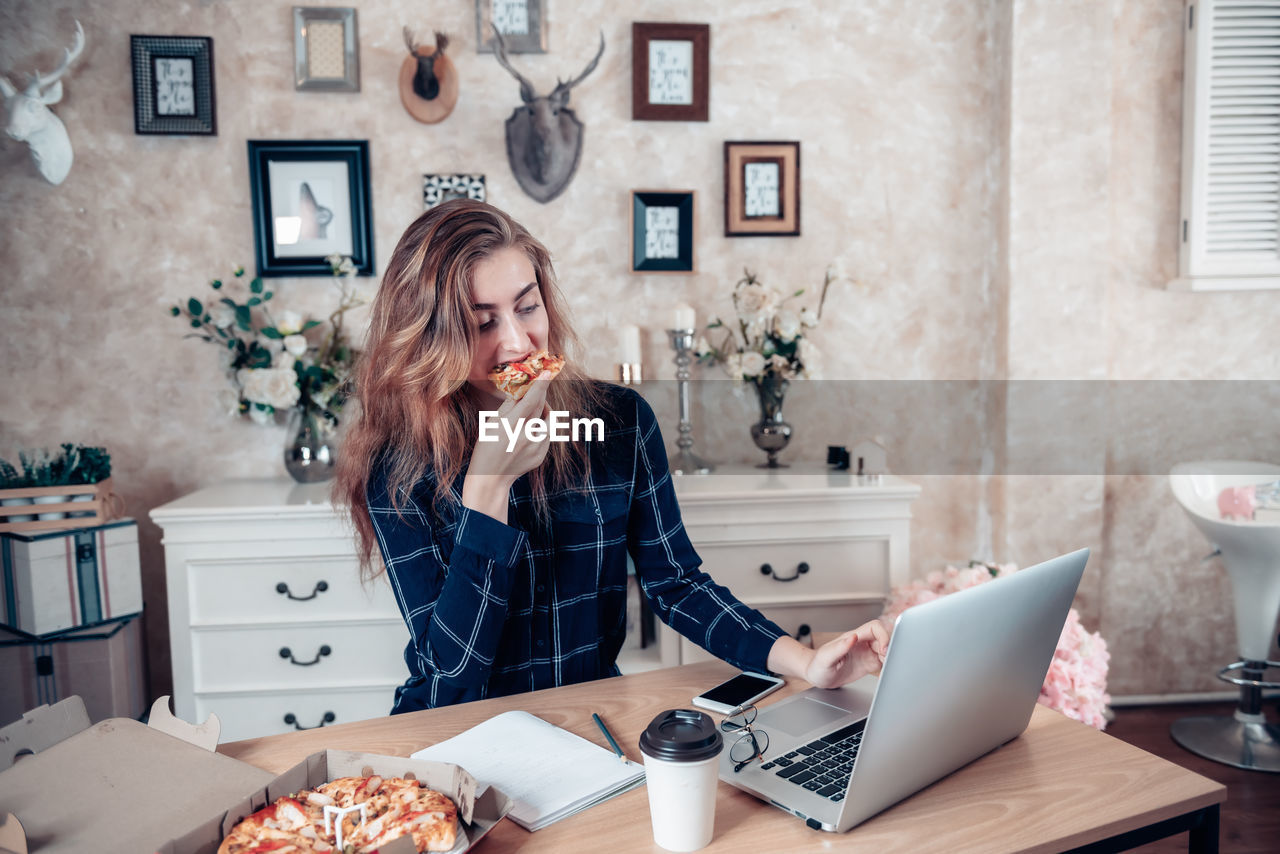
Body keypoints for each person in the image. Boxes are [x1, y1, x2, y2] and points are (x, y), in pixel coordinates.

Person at [334, 200, 890, 713]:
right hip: (452, 726)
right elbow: (452, 673)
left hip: (590, 718)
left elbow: (677, 584)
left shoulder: (620, 422)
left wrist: (806, 663)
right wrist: (487, 493)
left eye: (527, 308)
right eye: (482, 324)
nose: (519, 344)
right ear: (430, 338)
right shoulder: (397, 464)